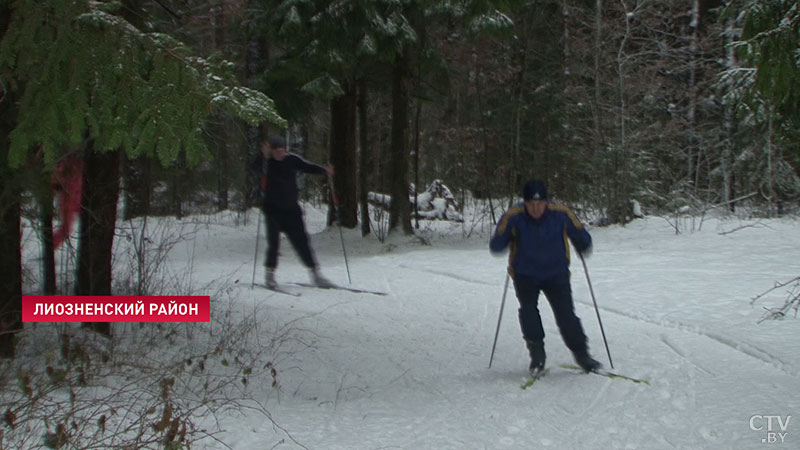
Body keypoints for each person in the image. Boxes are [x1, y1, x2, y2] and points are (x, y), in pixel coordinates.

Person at [490, 179, 601, 374]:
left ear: (546, 202)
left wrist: (582, 243)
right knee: (529, 312)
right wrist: (506, 237)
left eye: (539, 203)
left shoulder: (561, 214)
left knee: (567, 316)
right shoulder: (514, 216)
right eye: (531, 204)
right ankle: (537, 356)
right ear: (524, 203)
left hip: (556, 274)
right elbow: (496, 245)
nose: (535, 208)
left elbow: (581, 234)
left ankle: (582, 355)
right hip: (525, 275)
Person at [251, 136, 334, 289]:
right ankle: (270, 275)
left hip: (291, 211)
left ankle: (316, 274)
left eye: (282, 151)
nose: (280, 154)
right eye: (276, 151)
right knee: (273, 244)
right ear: (272, 151)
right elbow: (254, 168)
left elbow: (308, 167)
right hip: (273, 210)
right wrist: (263, 154)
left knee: (302, 242)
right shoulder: (266, 162)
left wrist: (324, 171)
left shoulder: (292, 160)